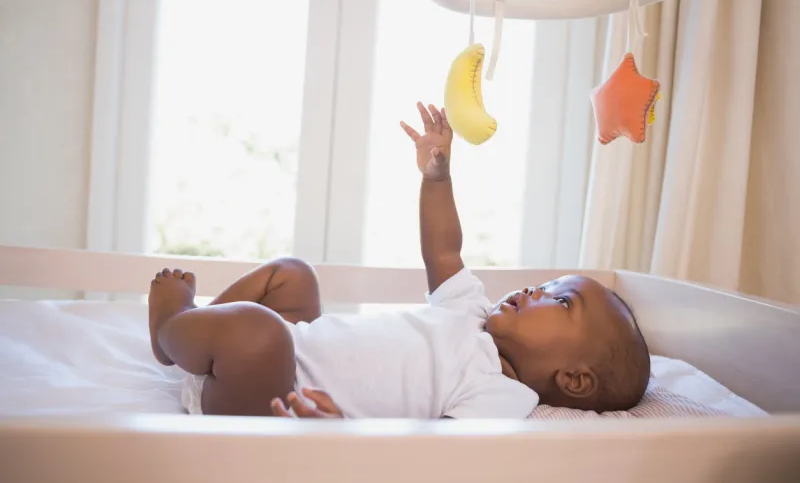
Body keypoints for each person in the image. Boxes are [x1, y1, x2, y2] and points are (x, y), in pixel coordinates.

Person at [148, 102, 650, 418]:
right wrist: (437, 177)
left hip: (269, 396)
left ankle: (174, 329)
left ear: (574, 379)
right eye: (546, 284)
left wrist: (336, 432)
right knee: (293, 275)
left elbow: (428, 459)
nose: (533, 291)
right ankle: (197, 339)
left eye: (560, 301)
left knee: (261, 334)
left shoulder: (502, 397)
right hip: (296, 346)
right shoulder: (470, 313)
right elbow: (444, 250)